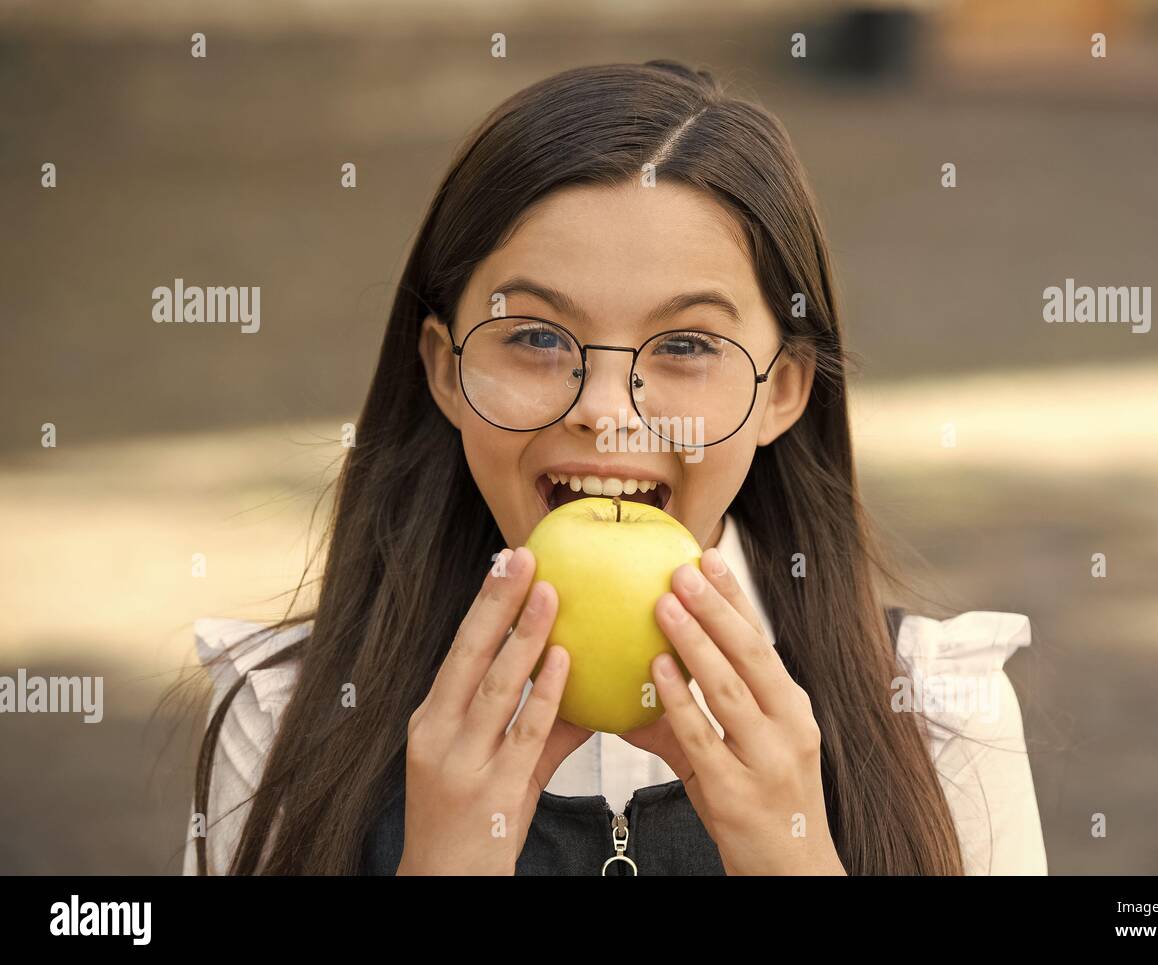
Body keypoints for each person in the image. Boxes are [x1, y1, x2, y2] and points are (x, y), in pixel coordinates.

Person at [182, 59, 1047, 876]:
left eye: (684, 344)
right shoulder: (287, 723)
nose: (606, 408)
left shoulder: (936, 717)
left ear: (782, 390)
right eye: (535, 337)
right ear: (447, 371)